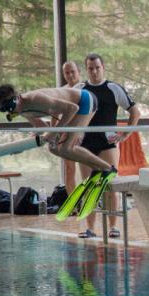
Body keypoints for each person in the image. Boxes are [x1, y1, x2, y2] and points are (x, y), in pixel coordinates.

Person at [77, 53, 140, 239]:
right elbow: (67, 111)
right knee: (89, 187)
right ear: (86, 70)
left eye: (97, 68)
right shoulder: (80, 89)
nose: (94, 71)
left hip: (107, 144)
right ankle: (90, 228)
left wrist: (126, 133)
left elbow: (135, 112)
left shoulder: (113, 88)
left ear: (103, 68)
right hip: (85, 144)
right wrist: (74, 134)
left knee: (110, 184)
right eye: (90, 68)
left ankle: (113, 226)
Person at [0, 83, 113, 175]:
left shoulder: (36, 99)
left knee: (66, 147)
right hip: (70, 108)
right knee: (53, 148)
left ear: (17, 98)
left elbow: (72, 108)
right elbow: (41, 127)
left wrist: (54, 132)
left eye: (10, 107)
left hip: (85, 100)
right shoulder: (20, 110)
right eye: (5, 110)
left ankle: (108, 169)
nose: (11, 112)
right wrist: (22, 147)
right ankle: (97, 169)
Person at [61, 60, 83, 199]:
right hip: (67, 133)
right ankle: (73, 203)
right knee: (69, 169)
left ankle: (90, 201)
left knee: (88, 169)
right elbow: (57, 113)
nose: (70, 75)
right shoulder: (62, 91)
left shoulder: (86, 88)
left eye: (73, 72)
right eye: (67, 73)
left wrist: (80, 131)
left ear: (79, 72)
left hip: (84, 132)